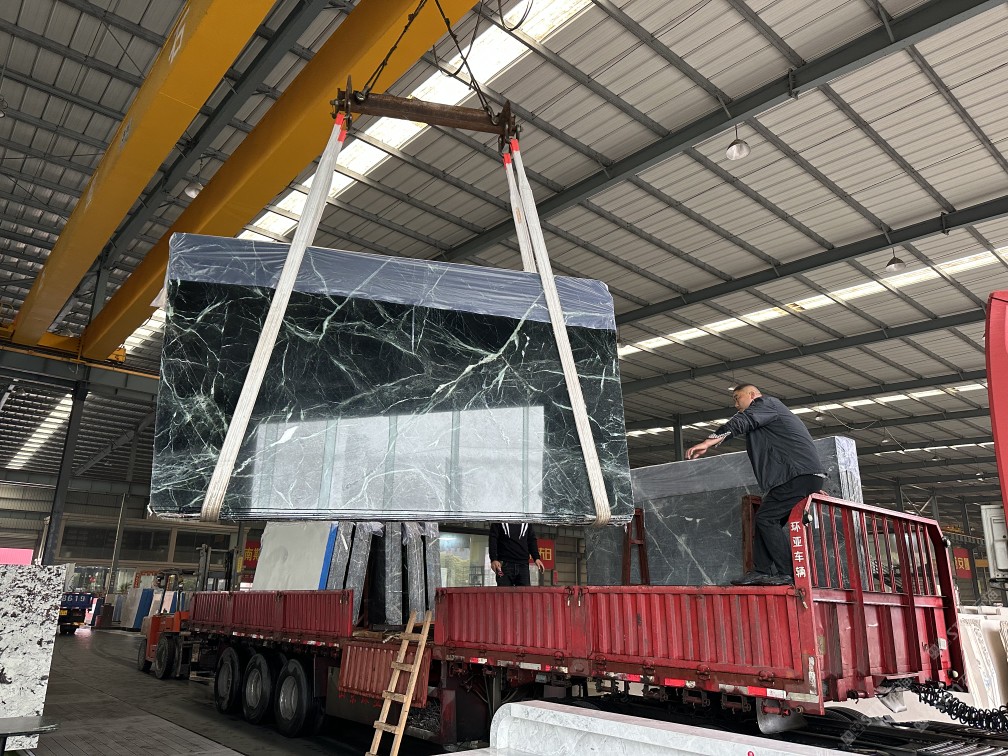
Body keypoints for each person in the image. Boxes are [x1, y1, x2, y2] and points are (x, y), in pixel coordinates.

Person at [686, 383, 825, 587]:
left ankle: (788, 572)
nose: (736, 404)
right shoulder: (769, 414)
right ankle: (761, 570)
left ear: (752, 395)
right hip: (799, 476)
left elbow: (742, 421)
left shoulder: (766, 404)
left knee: (766, 519)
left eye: (737, 398)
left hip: (797, 475)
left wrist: (708, 442)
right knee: (765, 519)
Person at [489, 522, 545, 587]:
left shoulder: (526, 520)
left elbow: (531, 539)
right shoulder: (500, 518)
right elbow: (493, 538)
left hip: (523, 565)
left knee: (524, 592)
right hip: (504, 565)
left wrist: (536, 558)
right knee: (504, 592)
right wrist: (493, 559)